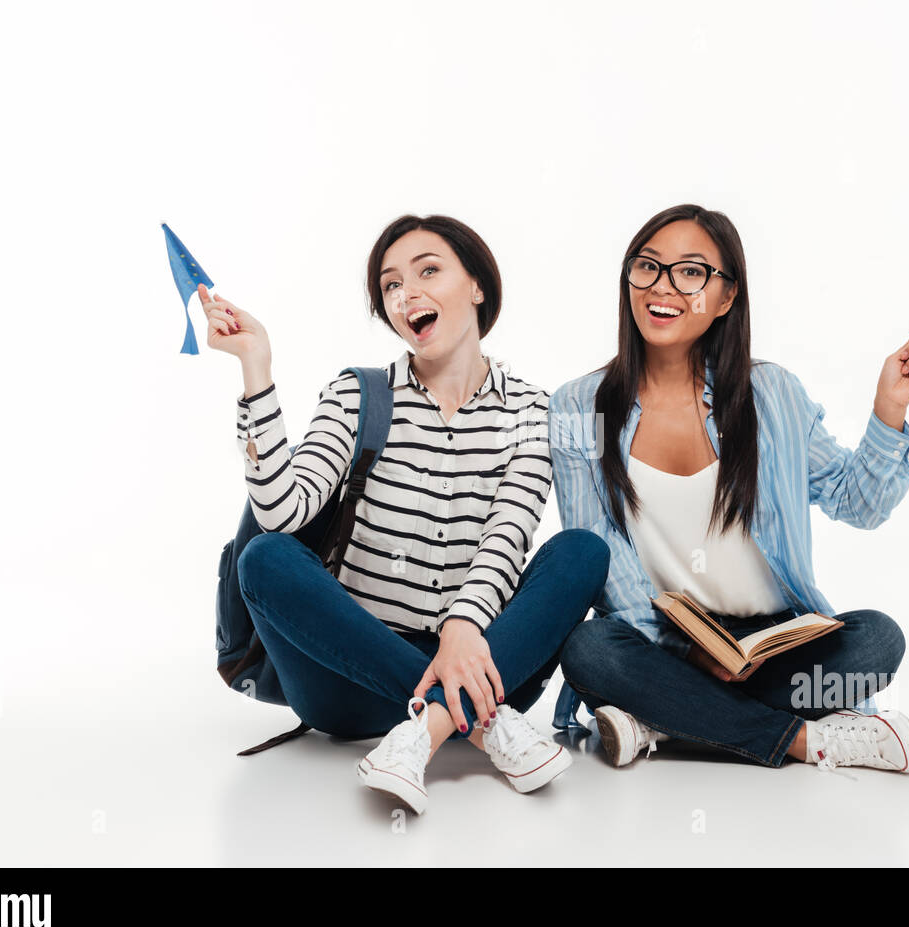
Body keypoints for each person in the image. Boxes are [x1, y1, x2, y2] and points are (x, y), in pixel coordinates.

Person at [205, 214, 609, 813]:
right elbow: (281, 513)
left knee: (581, 551)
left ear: (477, 285)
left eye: (428, 271)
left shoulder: (530, 409)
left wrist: (461, 630)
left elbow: (508, 535)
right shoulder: (357, 394)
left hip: (486, 659)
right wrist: (256, 370)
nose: (406, 293)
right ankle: (478, 722)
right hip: (350, 680)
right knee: (265, 557)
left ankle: (425, 730)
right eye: (391, 285)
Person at [549, 203, 909, 775]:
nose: (664, 287)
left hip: (776, 647)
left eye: (691, 272)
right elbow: (597, 551)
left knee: (878, 640)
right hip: (662, 643)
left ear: (727, 297)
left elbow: (860, 504)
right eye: (648, 266)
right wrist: (690, 652)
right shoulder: (577, 406)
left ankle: (663, 720)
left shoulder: (771, 393)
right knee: (589, 650)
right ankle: (800, 740)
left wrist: (889, 411)